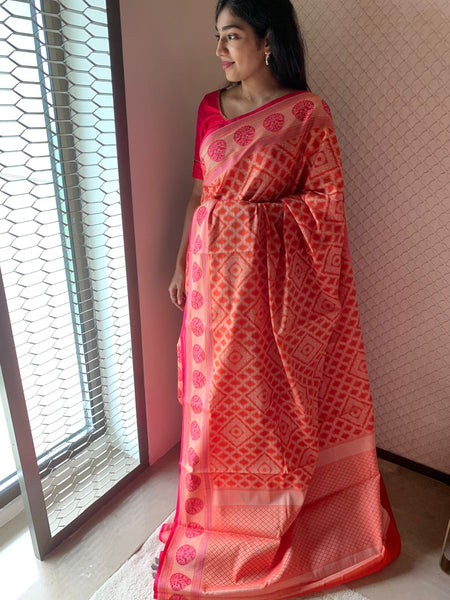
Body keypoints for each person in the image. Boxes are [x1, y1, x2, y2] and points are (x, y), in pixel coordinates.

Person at [155, 1, 401, 598]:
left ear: (267, 41)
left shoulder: (309, 115)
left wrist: (254, 225)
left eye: (231, 36)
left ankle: (276, 512)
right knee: (215, 406)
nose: (219, 51)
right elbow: (199, 195)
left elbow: (326, 208)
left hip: (272, 297)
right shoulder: (209, 108)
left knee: (266, 404)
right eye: (216, 37)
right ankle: (215, 517)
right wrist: (181, 261)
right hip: (214, 287)